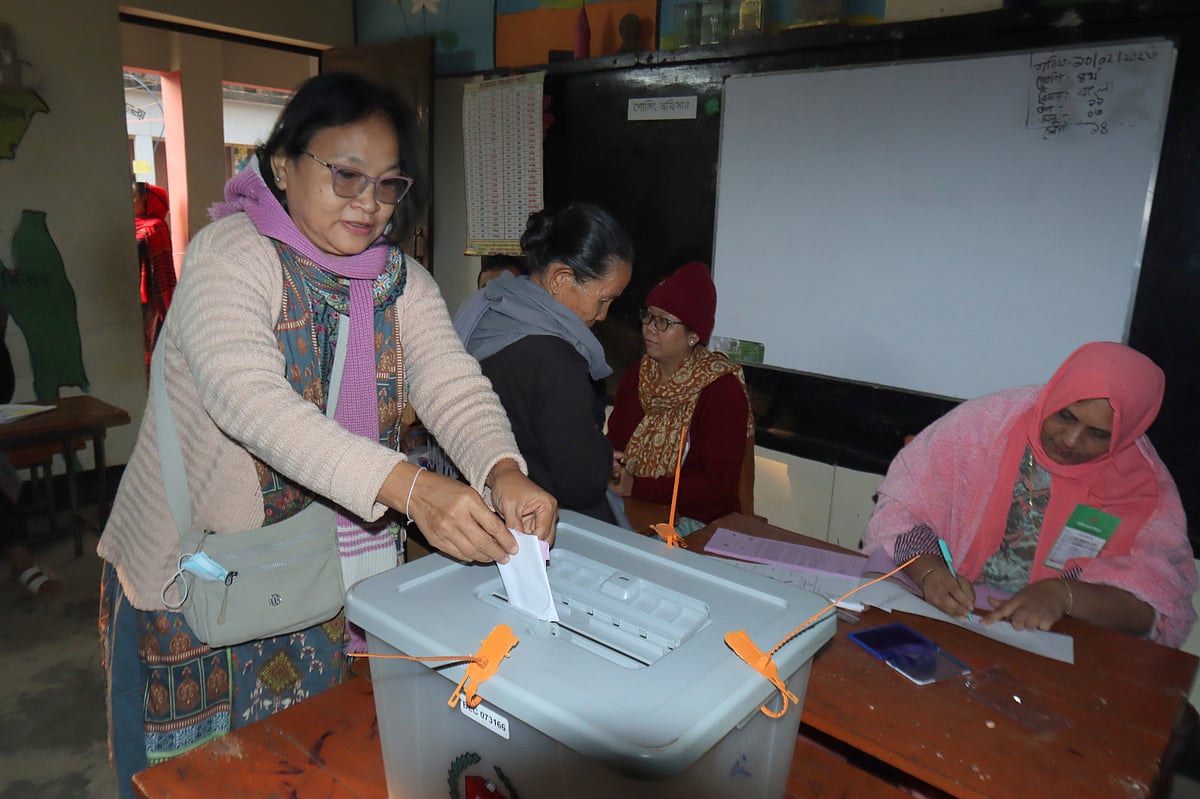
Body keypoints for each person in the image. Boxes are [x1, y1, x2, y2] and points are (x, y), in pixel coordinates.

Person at [97, 72, 557, 797]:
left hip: (313, 582)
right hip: (190, 578)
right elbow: (252, 402)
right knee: (191, 779)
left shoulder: (398, 282)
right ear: (284, 164)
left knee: (308, 762)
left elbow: (451, 384)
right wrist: (411, 488)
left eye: (386, 185)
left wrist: (503, 472)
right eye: (346, 176)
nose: (367, 204)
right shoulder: (230, 257)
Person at [863, 341, 1197, 647]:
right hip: (948, 615)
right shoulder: (986, 426)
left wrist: (1063, 595)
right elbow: (900, 513)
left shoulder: (1142, 488)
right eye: (1065, 415)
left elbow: (1156, 607)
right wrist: (931, 573)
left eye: (1097, 434)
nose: (1070, 439)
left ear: (1127, 433)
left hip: (1060, 640)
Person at [457, 202, 633, 524]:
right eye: (603, 299)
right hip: (540, 522)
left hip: (482, 509)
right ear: (560, 278)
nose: (603, 315)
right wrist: (602, 457)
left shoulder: (488, 308)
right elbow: (580, 484)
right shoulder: (558, 359)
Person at [606, 261, 753, 528]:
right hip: (637, 509)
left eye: (664, 321)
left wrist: (636, 486)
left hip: (700, 520)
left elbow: (717, 487)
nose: (650, 327)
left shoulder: (720, 390)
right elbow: (614, 443)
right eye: (648, 315)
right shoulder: (638, 376)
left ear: (694, 336)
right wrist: (606, 464)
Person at [133, 181, 177, 378]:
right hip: (126, 292)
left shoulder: (156, 227)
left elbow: (158, 267)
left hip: (149, 295)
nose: (130, 202)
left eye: (134, 197)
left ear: (148, 202)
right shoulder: (131, 225)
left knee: (146, 340)